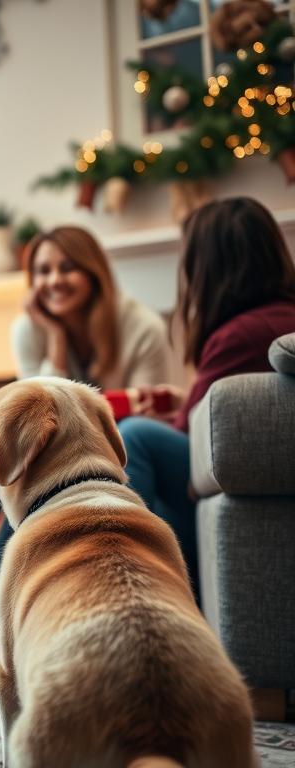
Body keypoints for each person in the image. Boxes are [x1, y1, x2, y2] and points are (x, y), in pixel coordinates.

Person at [0, 225, 175, 591]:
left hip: (105, 454)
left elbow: (145, 415)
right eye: (42, 271)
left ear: (93, 272)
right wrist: (55, 340)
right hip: (58, 444)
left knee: (26, 455)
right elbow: (33, 408)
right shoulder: (29, 328)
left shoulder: (141, 328)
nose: (54, 280)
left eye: (67, 268)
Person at [118, 197, 295, 593]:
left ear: (209, 266)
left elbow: (189, 441)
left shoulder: (241, 333)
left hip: (219, 486)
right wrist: (186, 403)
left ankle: (134, 589)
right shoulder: (280, 317)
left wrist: (172, 418)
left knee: (134, 437)